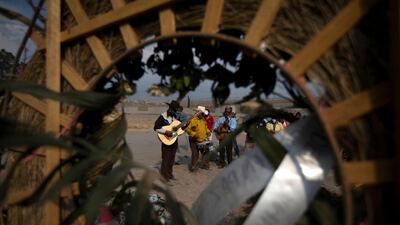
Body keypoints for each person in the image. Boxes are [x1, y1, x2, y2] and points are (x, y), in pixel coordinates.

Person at [153, 100, 181, 182]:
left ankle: (169, 174)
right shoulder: (162, 116)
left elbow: (176, 129)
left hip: (174, 140)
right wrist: (165, 132)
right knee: (165, 159)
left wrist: (182, 128)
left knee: (172, 159)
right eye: (173, 109)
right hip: (166, 140)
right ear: (169, 108)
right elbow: (156, 127)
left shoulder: (175, 117)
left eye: (175, 110)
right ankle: (164, 177)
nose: (174, 111)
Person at [185, 106, 211, 171]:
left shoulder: (203, 120)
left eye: (203, 114)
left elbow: (205, 128)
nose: (203, 115)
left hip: (202, 139)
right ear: (198, 113)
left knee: (205, 151)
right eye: (202, 114)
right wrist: (194, 134)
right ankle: (193, 166)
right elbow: (187, 129)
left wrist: (208, 131)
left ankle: (205, 165)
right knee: (195, 153)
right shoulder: (193, 120)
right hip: (193, 140)